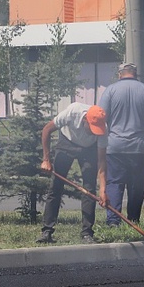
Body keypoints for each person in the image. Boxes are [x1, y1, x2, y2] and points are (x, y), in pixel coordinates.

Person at [97, 62, 144, 226]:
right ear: (135, 74)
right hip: (139, 148)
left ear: (120, 74)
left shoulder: (110, 90)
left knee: (115, 183)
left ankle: (113, 221)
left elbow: (101, 115)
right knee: (137, 186)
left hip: (115, 146)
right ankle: (133, 220)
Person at [39, 103, 108, 244]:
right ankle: (47, 231)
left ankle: (87, 233)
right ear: (84, 121)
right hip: (67, 142)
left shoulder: (102, 129)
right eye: (92, 129)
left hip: (89, 150)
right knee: (56, 186)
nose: (95, 133)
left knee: (89, 189)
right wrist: (46, 159)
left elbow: (101, 161)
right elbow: (46, 130)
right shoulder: (72, 112)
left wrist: (103, 190)